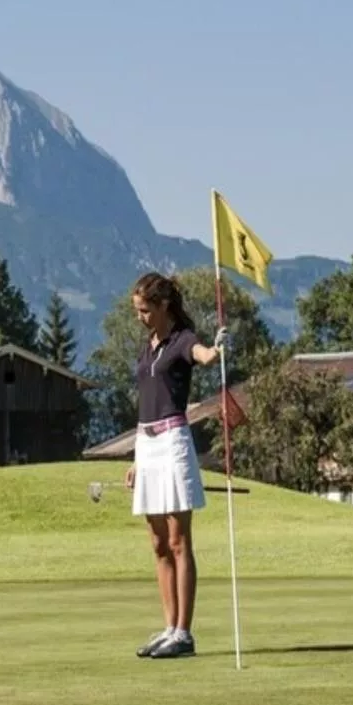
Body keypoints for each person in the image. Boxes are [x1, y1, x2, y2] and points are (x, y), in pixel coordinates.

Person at [122, 272, 228, 660]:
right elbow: (143, 406)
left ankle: (184, 633)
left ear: (164, 306)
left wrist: (216, 350)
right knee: (157, 543)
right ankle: (168, 627)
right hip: (147, 444)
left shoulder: (182, 340)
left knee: (180, 540)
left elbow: (202, 356)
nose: (140, 317)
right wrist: (136, 458)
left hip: (173, 442)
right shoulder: (146, 347)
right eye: (137, 310)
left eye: (145, 310)